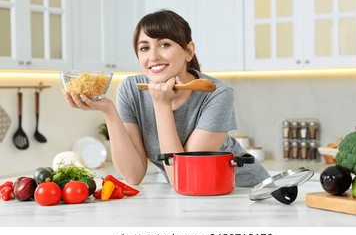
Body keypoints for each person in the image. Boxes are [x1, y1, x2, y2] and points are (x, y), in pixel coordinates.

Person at [63, 9, 270, 187]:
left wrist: (161, 105)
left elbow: (183, 176)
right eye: (144, 48)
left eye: (164, 45)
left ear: (188, 51)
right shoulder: (131, 90)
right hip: (195, 196)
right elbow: (133, 175)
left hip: (245, 192)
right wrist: (108, 111)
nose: (153, 56)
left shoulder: (216, 94)